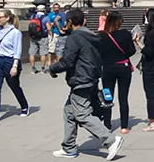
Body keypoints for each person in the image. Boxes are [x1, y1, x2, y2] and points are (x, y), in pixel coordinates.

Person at [48, 9, 124, 160]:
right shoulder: (93, 36)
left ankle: (110, 140)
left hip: (81, 79)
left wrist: (53, 68)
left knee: (82, 114)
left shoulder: (74, 38)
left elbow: (68, 61)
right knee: (69, 112)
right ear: (83, 21)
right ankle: (69, 148)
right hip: (91, 77)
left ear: (69, 22)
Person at [0, 9, 29, 124]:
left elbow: (17, 50)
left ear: (7, 18)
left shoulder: (15, 32)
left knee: (14, 86)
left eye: (0, 17)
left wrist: (14, 66)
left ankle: (24, 106)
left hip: (10, 61)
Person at [99, 11, 135, 135]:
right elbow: (131, 51)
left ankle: (107, 124)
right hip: (123, 68)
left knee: (107, 97)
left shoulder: (102, 36)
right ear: (120, 22)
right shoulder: (125, 34)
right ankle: (124, 126)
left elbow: (99, 53)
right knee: (123, 97)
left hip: (108, 69)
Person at [27, 4, 50, 74]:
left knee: (32, 53)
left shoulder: (32, 16)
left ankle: (33, 69)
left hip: (33, 37)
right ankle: (42, 69)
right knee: (43, 53)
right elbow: (48, 28)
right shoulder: (46, 18)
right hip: (43, 37)